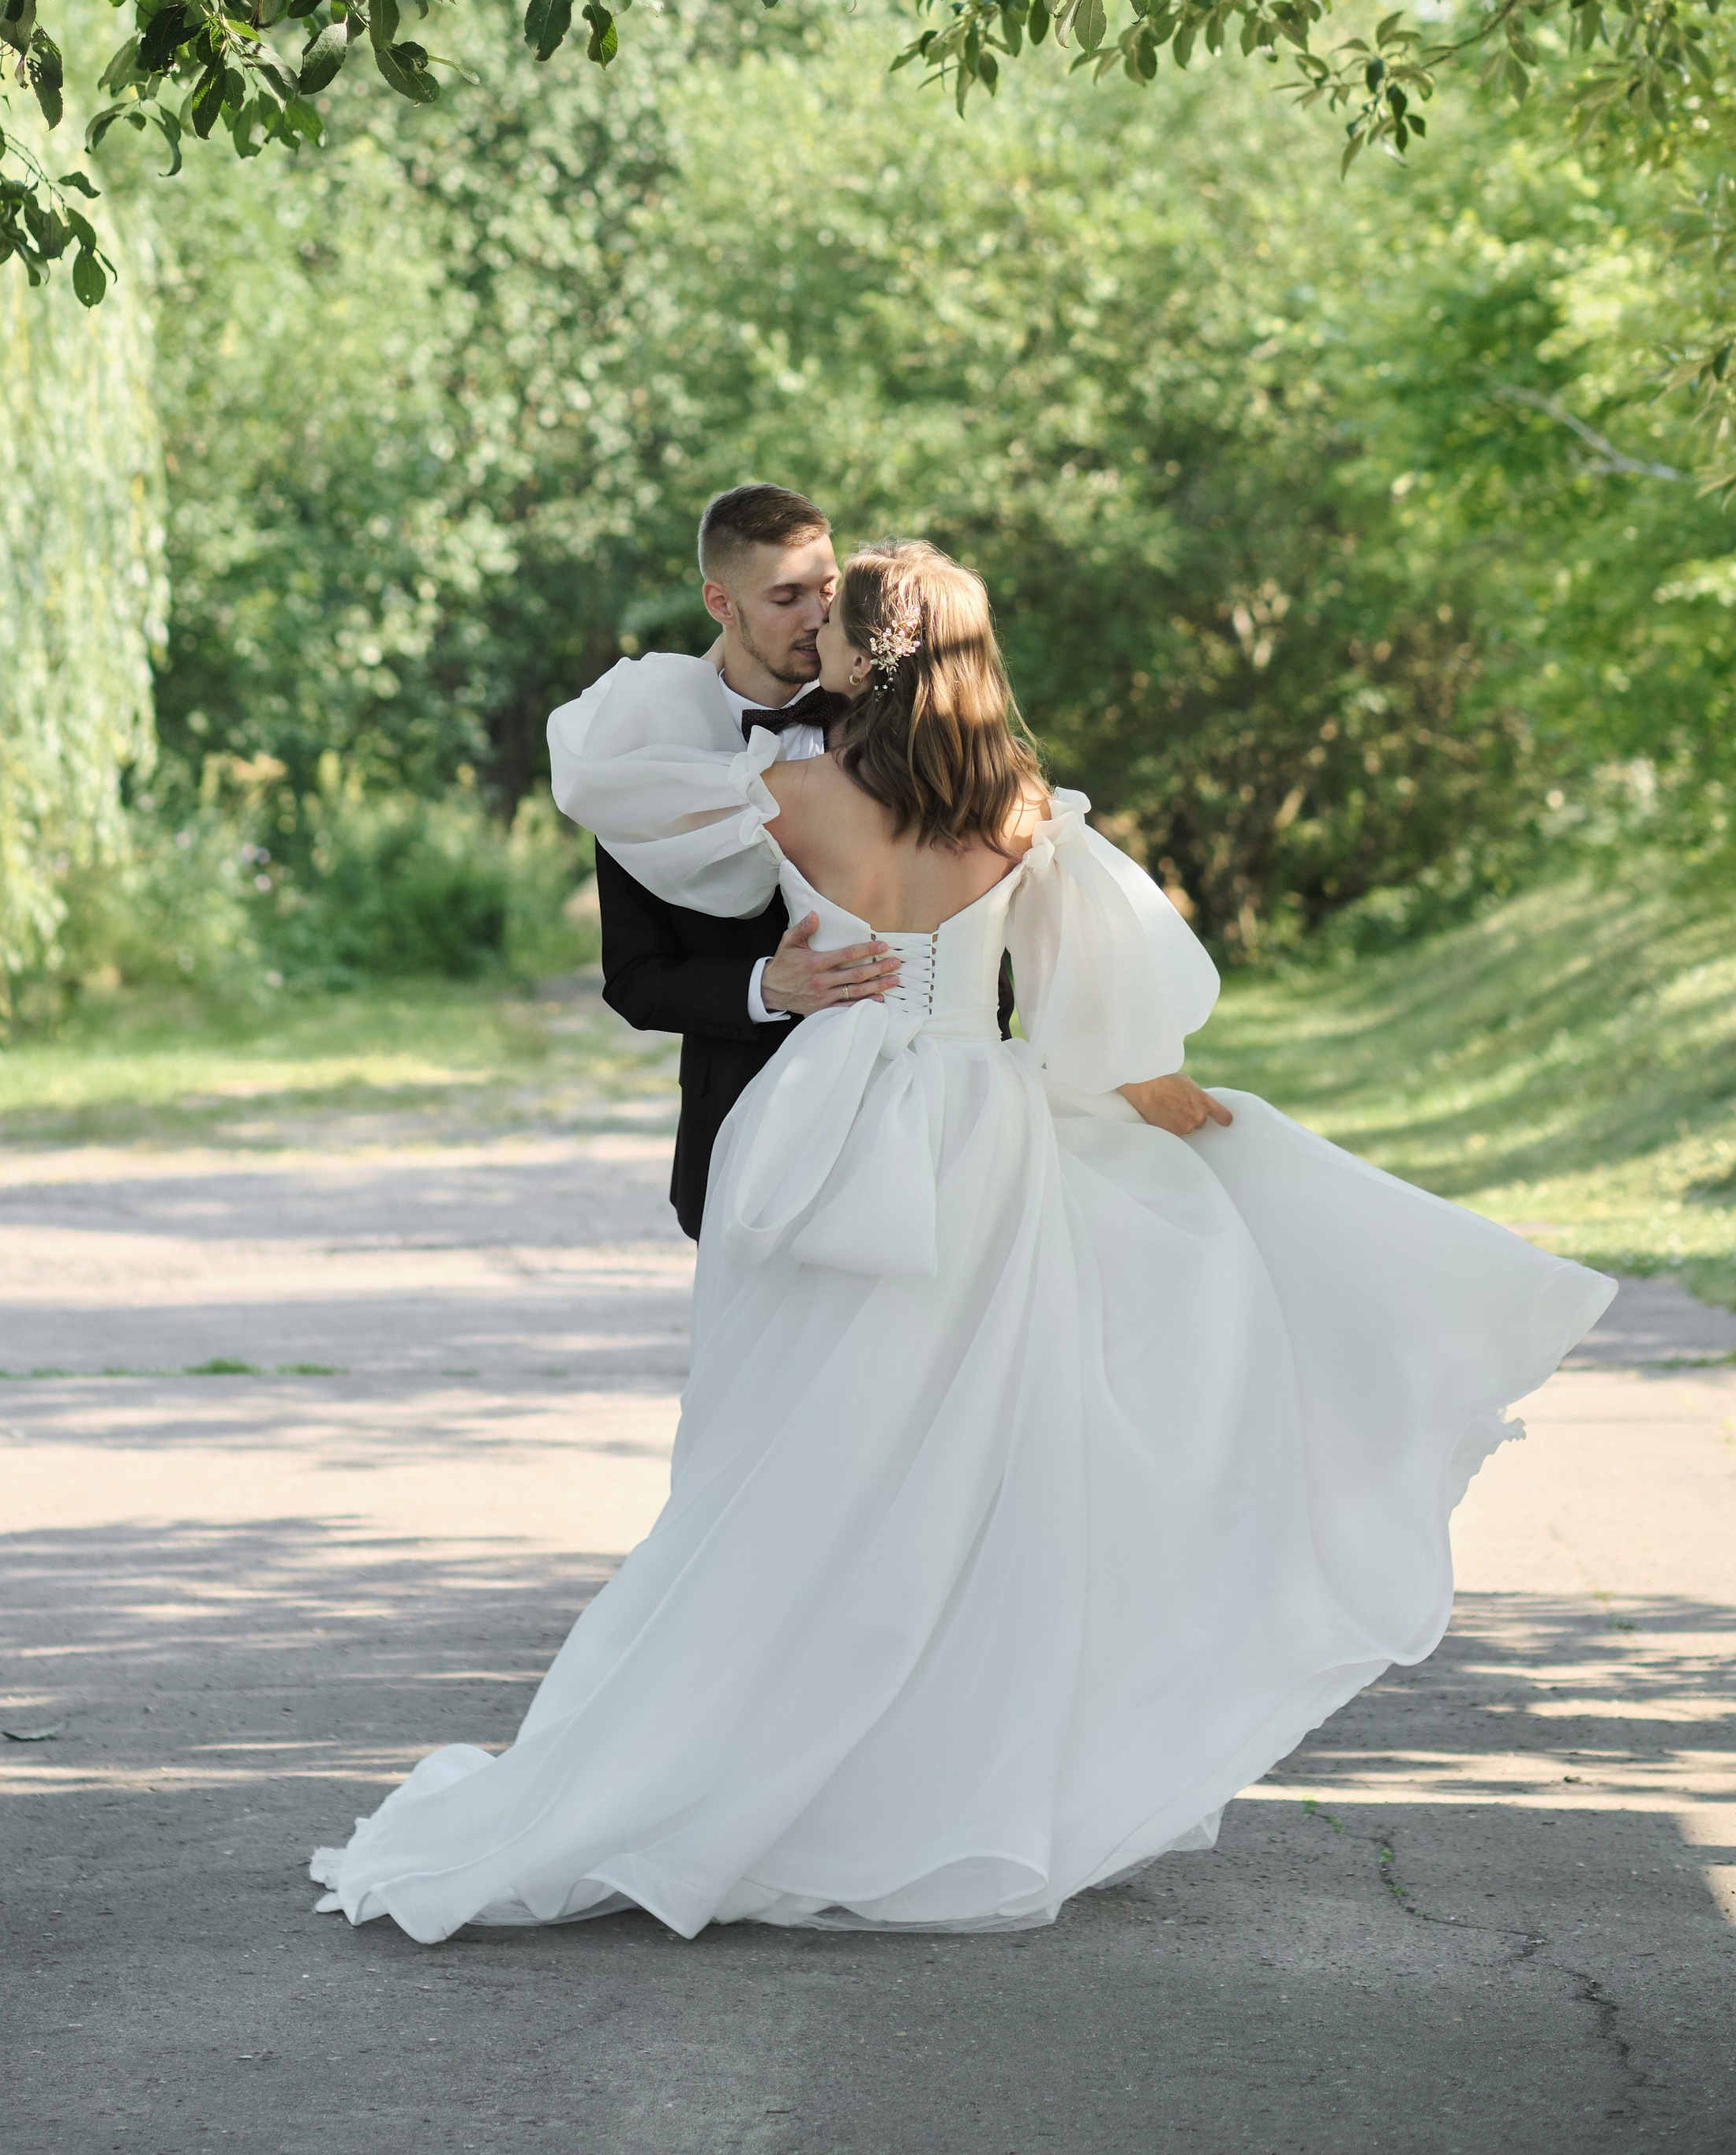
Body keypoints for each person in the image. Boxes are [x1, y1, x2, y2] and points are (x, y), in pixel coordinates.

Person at [313, 540, 1613, 1943]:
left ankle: (679, 1767)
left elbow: (599, 766)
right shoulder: (1027, 817)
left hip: (816, 1139)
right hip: (975, 1145)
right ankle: (909, 1795)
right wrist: (1170, 1102)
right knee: (954, 1484)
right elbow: (1088, 1033)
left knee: (778, 1475)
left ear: (854, 656)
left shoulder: (780, 791)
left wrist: (760, 851)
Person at [553, 482, 907, 1240]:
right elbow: (637, 981)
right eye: (785, 598)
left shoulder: (898, 716)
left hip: (905, 1115)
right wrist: (767, 987)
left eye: (828, 589)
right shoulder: (642, 747)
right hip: (743, 1123)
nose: (817, 617)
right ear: (721, 602)